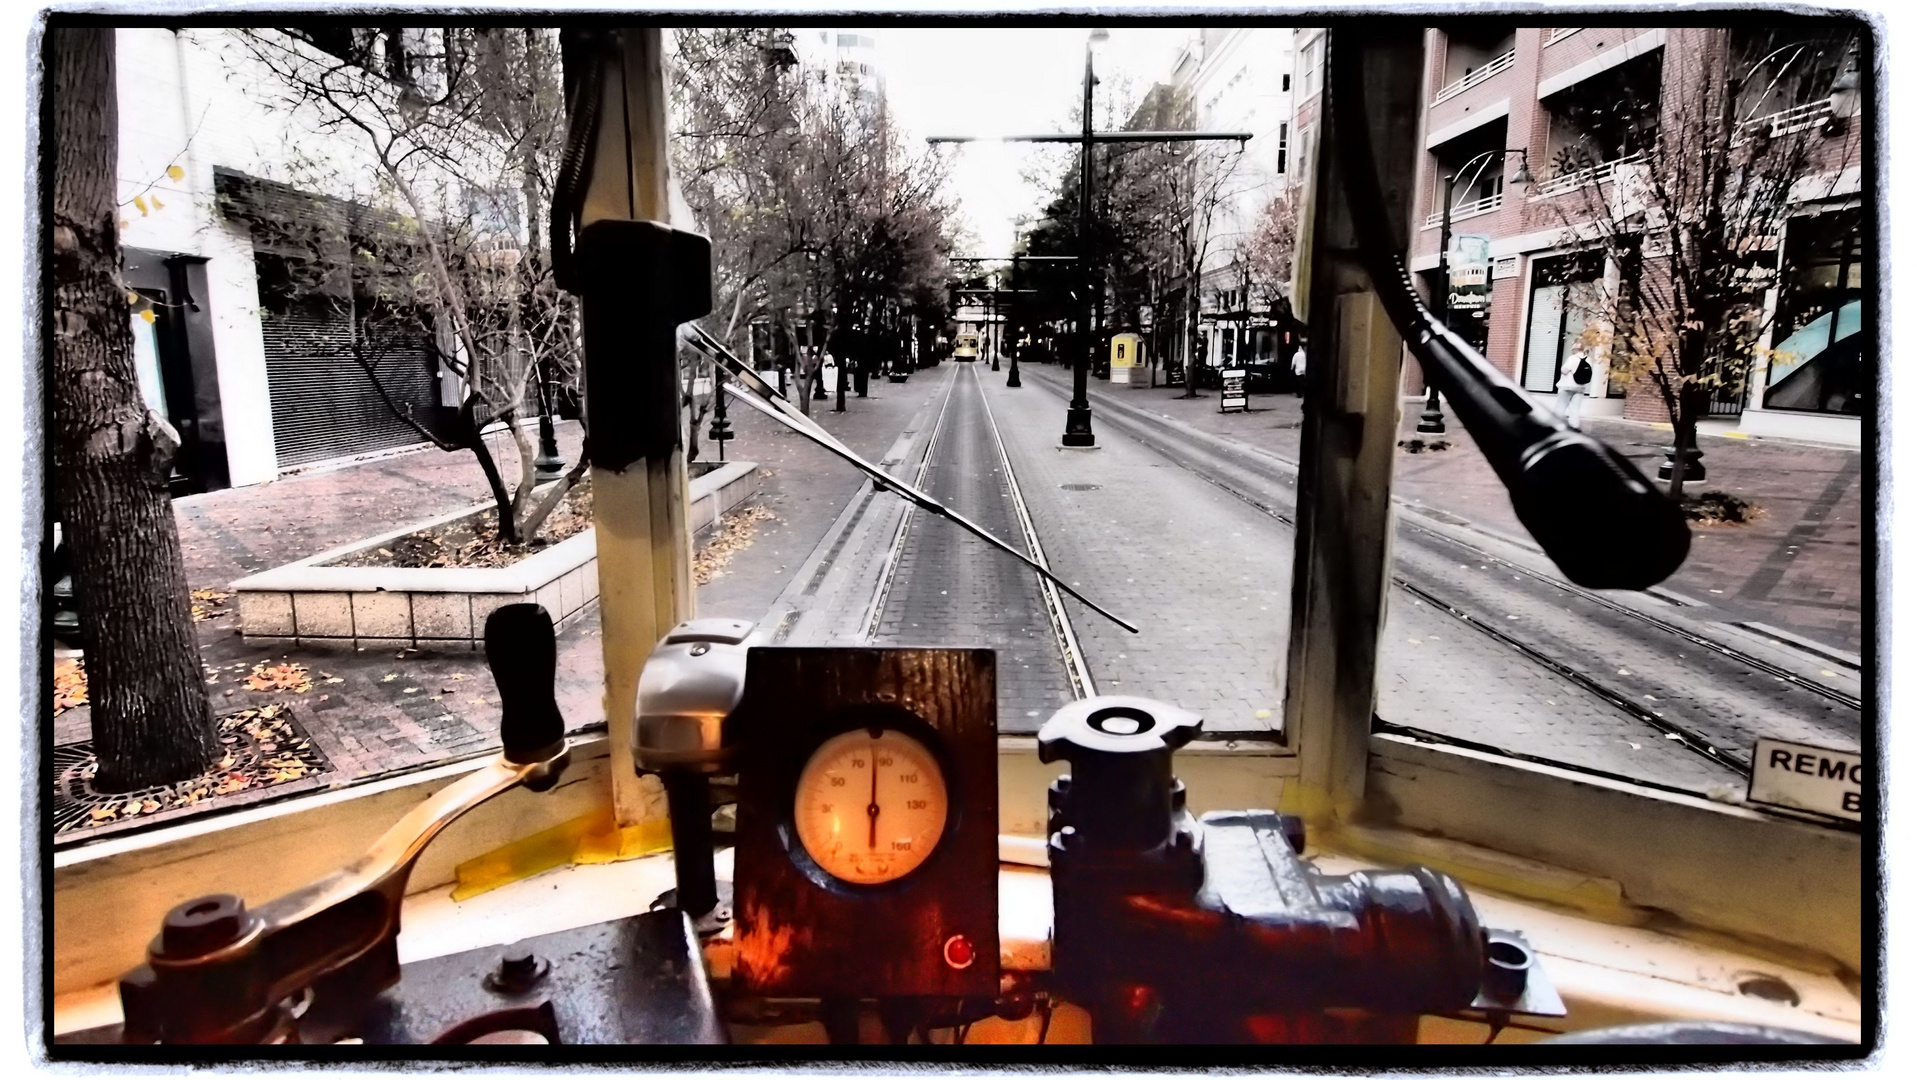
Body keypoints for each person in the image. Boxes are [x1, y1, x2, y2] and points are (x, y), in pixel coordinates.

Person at [1556, 346, 1593, 430]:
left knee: (1560, 407)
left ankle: (1555, 426)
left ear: (1576, 349)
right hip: (1580, 387)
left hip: (1567, 386)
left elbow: (1565, 371)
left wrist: (1562, 369)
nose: (1572, 351)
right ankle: (1574, 427)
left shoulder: (1572, 358)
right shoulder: (1589, 359)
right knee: (1575, 409)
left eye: (1572, 349)